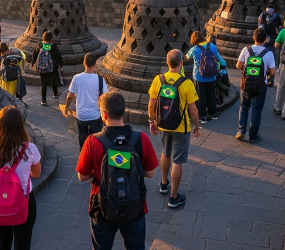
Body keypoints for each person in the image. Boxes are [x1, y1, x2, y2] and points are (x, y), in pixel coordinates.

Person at [77, 92, 158, 250]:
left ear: (104, 113)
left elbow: (82, 176)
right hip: (134, 205)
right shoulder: (141, 138)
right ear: (123, 111)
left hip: (102, 206)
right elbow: (150, 173)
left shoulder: (93, 141)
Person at [0, 106, 41, 250]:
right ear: (20, 125)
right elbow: (37, 174)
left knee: (3, 241)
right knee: (23, 243)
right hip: (24, 200)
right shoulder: (29, 149)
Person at [147, 50, 200, 209]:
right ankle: (174, 197)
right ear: (181, 63)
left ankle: (163, 184)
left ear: (167, 62)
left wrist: (152, 121)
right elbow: (194, 110)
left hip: (163, 123)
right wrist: (197, 126)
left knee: (165, 152)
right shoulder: (187, 83)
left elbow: (151, 104)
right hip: (181, 127)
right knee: (177, 161)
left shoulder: (158, 79)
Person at [235, 28, 277, 142]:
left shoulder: (246, 49)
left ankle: (241, 130)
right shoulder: (269, 53)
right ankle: (253, 135)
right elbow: (273, 72)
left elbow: (238, 65)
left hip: (246, 84)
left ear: (254, 37)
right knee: (256, 110)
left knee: (244, 107)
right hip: (260, 86)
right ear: (265, 40)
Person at [64, 53, 106, 148]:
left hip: (81, 114)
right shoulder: (100, 79)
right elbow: (105, 96)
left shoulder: (77, 78)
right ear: (95, 64)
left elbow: (70, 95)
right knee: (95, 139)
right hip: (95, 115)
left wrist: (67, 106)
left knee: (82, 136)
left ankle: (84, 153)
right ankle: (93, 154)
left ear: (84, 63)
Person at [185, 31, 227, 123]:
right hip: (212, 75)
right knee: (211, 95)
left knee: (201, 96)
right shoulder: (212, 46)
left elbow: (188, 56)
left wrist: (186, 56)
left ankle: (202, 116)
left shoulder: (195, 49)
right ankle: (213, 114)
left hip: (199, 77)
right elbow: (218, 57)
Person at [30, 31, 64, 106]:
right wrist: (61, 66)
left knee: (44, 84)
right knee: (54, 79)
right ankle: (55, 93)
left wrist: (33, 63)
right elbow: (58, 56)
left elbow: (35, 54)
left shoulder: (40, 44)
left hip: (42, 68)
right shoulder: (53, 46)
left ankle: (43, 100)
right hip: (52, 67)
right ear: (51, 38)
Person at [258, 3, 283, 86]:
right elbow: (261, 26)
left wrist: (280, 34)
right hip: (264, 39)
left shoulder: (276, 16)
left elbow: (280, 26)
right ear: (266, 9)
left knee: (273, 60)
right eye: (269, 9)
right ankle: (262, 77)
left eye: (271, 9)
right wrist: (263, 35)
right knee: (263, 59)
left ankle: (271, 79)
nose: (270, 11)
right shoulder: (263, 16)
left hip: (273, 39)